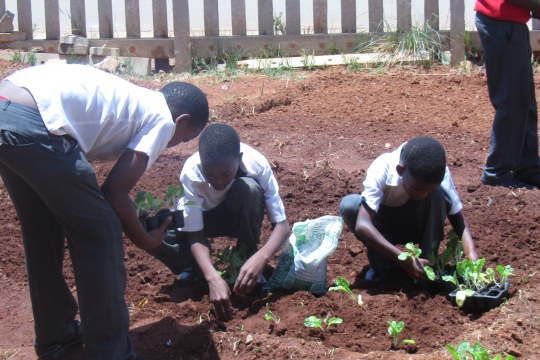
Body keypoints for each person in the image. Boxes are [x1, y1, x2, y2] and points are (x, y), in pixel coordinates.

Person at [0, 63, 209, 360]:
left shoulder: (134, 100)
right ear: (182, 120)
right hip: (36, 123)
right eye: (184, 138)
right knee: (103, 231)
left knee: (43, 231)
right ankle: (111, 353)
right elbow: (114, 192)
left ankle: (57, 340)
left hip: (8, 109)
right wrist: (147, 240)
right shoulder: (163, 118)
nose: (175, 145)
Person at [148, 123, 290, 321]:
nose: (218, 181)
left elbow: (282, 227)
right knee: (152, 229)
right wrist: (212, 277)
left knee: (248, 189)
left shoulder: (256, 164)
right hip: (206, 220)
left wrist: (261, 257)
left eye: (225, 174)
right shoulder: (192, 171)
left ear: (239, 159)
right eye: (210, 174)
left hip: (238, 214)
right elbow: (195, 233)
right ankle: (195, 269)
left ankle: (246, 261)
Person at [339, 137, 478, 282]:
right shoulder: (382, 167)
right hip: (383, 229)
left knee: (438, 195)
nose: (423, 195)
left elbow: (457, 216)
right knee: (350, 205)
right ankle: (384, 268)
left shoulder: (438, 172)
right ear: (400, 170)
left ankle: (426, 267)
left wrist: (471, 252)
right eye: (417, 189)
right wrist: (402, 259)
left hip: (417, 226)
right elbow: (362, 225)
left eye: (427, 191)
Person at [474, 0, 540, 188]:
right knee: (511, 101)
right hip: (501, 23)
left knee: (524, 101)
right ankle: (497, 171)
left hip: (508, 22)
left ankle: (528, 167)